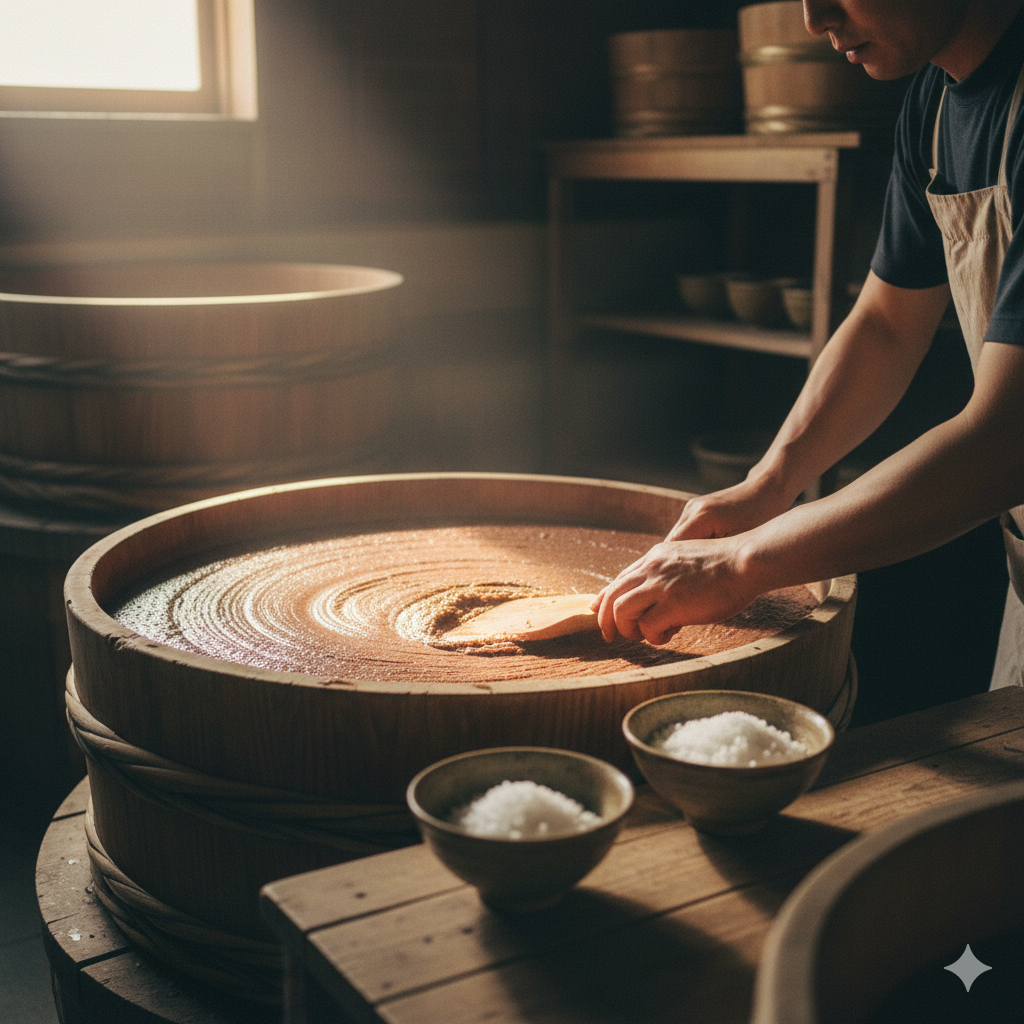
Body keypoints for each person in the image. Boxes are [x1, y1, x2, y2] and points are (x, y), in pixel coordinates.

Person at [591, 0, 1024, 690]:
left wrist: (738, 566)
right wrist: (768, 485)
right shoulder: (934, 107)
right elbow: (886, 322)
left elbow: (1008, 439)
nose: (814, 16)